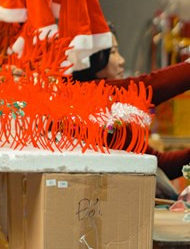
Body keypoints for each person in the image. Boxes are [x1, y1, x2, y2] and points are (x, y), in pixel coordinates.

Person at [73, 28, 190, 189]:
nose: (121, 60)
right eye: (113, 52)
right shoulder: (82, 98)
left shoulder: (110, 117)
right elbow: (146, 88)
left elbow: (160, 164)